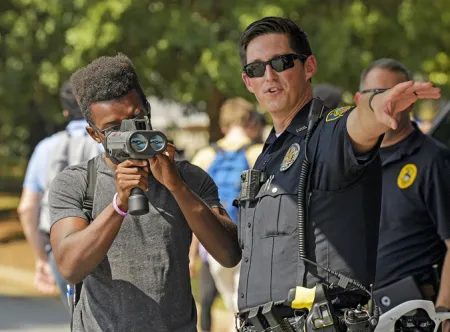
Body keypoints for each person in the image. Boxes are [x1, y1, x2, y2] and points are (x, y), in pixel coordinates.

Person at [235, 16, 440, 331]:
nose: (269, 75)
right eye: (256, 68)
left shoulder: (327, 132)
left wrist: (378, 103)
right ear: (248, 82)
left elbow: (358, 124)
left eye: (281, 61)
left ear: (309, 67)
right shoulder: (268, 154)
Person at [48, 53, 241, 332]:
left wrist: (175, 185)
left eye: (138, 118)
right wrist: (119, 205)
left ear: (147, 109)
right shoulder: (77, 183)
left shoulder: (187, 177)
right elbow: (69, 267)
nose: (130, 132)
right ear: (94, 134)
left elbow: (229, 253)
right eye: (114, 129)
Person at [355, 59, 450, 324]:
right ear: (359, 100)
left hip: (418, 315)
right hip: (365, 315)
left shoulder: (434, 160)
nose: (388, 102)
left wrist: (444, 313)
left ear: (412, 100)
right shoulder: (352, 162)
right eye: (377, 94)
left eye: (398, 94)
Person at [17, 81, 102, 308]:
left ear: (65, 111)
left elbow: (26, 208)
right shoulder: (108, 144)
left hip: (61, 248)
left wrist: (41, 258)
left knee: (78, 316)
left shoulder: (45, 148)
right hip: (105, 244)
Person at [190, 97, 263, 332]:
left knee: (232, 302)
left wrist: (191, 255)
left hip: (213, 246)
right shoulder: (259, 153)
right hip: (251, 242)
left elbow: (192, 209)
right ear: (250, 121)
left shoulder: (203, 157)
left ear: (223, 125)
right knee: (244, 307)